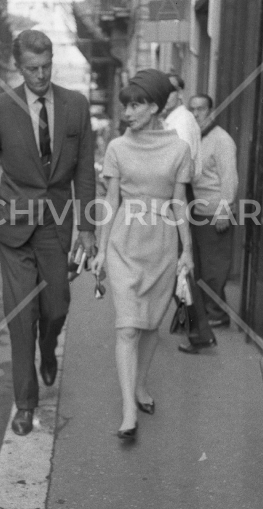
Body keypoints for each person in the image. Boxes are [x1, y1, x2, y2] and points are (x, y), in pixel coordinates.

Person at [0, 30, 96, 436]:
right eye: (31, 69)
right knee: (21, 316)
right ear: (18, 67)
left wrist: (88, 228)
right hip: (14, 229)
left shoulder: (76, 106)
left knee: (56, 306)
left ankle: (49, 345)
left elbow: (84, 170)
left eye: (46, 67)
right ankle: (25, 406)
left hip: (57, 228)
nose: (40, 76)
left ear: (52, 62)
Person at [91, 69, 194, 440]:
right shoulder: (117, 147)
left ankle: (140, 385)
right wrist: (101, 250)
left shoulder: (180, 149)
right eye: (126, 105)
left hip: (163, 243)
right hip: (124, 243)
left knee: (150, 324)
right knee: (128, 326)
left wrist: (188, 253)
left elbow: (179, 204)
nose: (128, 112)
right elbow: (110, 200)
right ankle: (128, 410)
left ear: (155, 106)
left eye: (135, 105)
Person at [163, 73, 217, 354]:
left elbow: (177, 167)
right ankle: (195, 328)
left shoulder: (181, 121)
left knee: (181, 268)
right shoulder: (175, 119)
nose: (165, 95)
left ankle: (198, 332)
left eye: (170, 91)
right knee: (176, 267)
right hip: (176, 196)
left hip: (177, 196)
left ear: (180, 94)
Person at [189, 93, 238, 328]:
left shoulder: (222, 140)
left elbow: (229, 178)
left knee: (214, 269)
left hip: (214, 213)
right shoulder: (197, 139)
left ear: (211, 111)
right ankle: (213, 310)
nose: (196, 114)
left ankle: (217, 315)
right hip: (198, 212)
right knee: (202, 267)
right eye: (193, 109)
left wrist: (224, 211)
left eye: (201, 109)